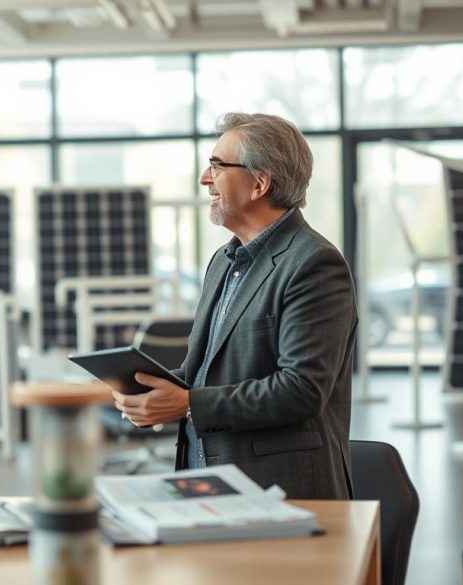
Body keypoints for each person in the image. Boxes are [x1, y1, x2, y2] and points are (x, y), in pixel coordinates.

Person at [114, 112, 356, 500]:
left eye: (216, 165)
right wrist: (151, 391)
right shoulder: (223, 262)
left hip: (280, 490)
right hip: (205, 481)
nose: (204, 178)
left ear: (259, 183)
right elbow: (209, 371)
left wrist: (188, 404)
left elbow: (301, 389)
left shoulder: (314, 263)